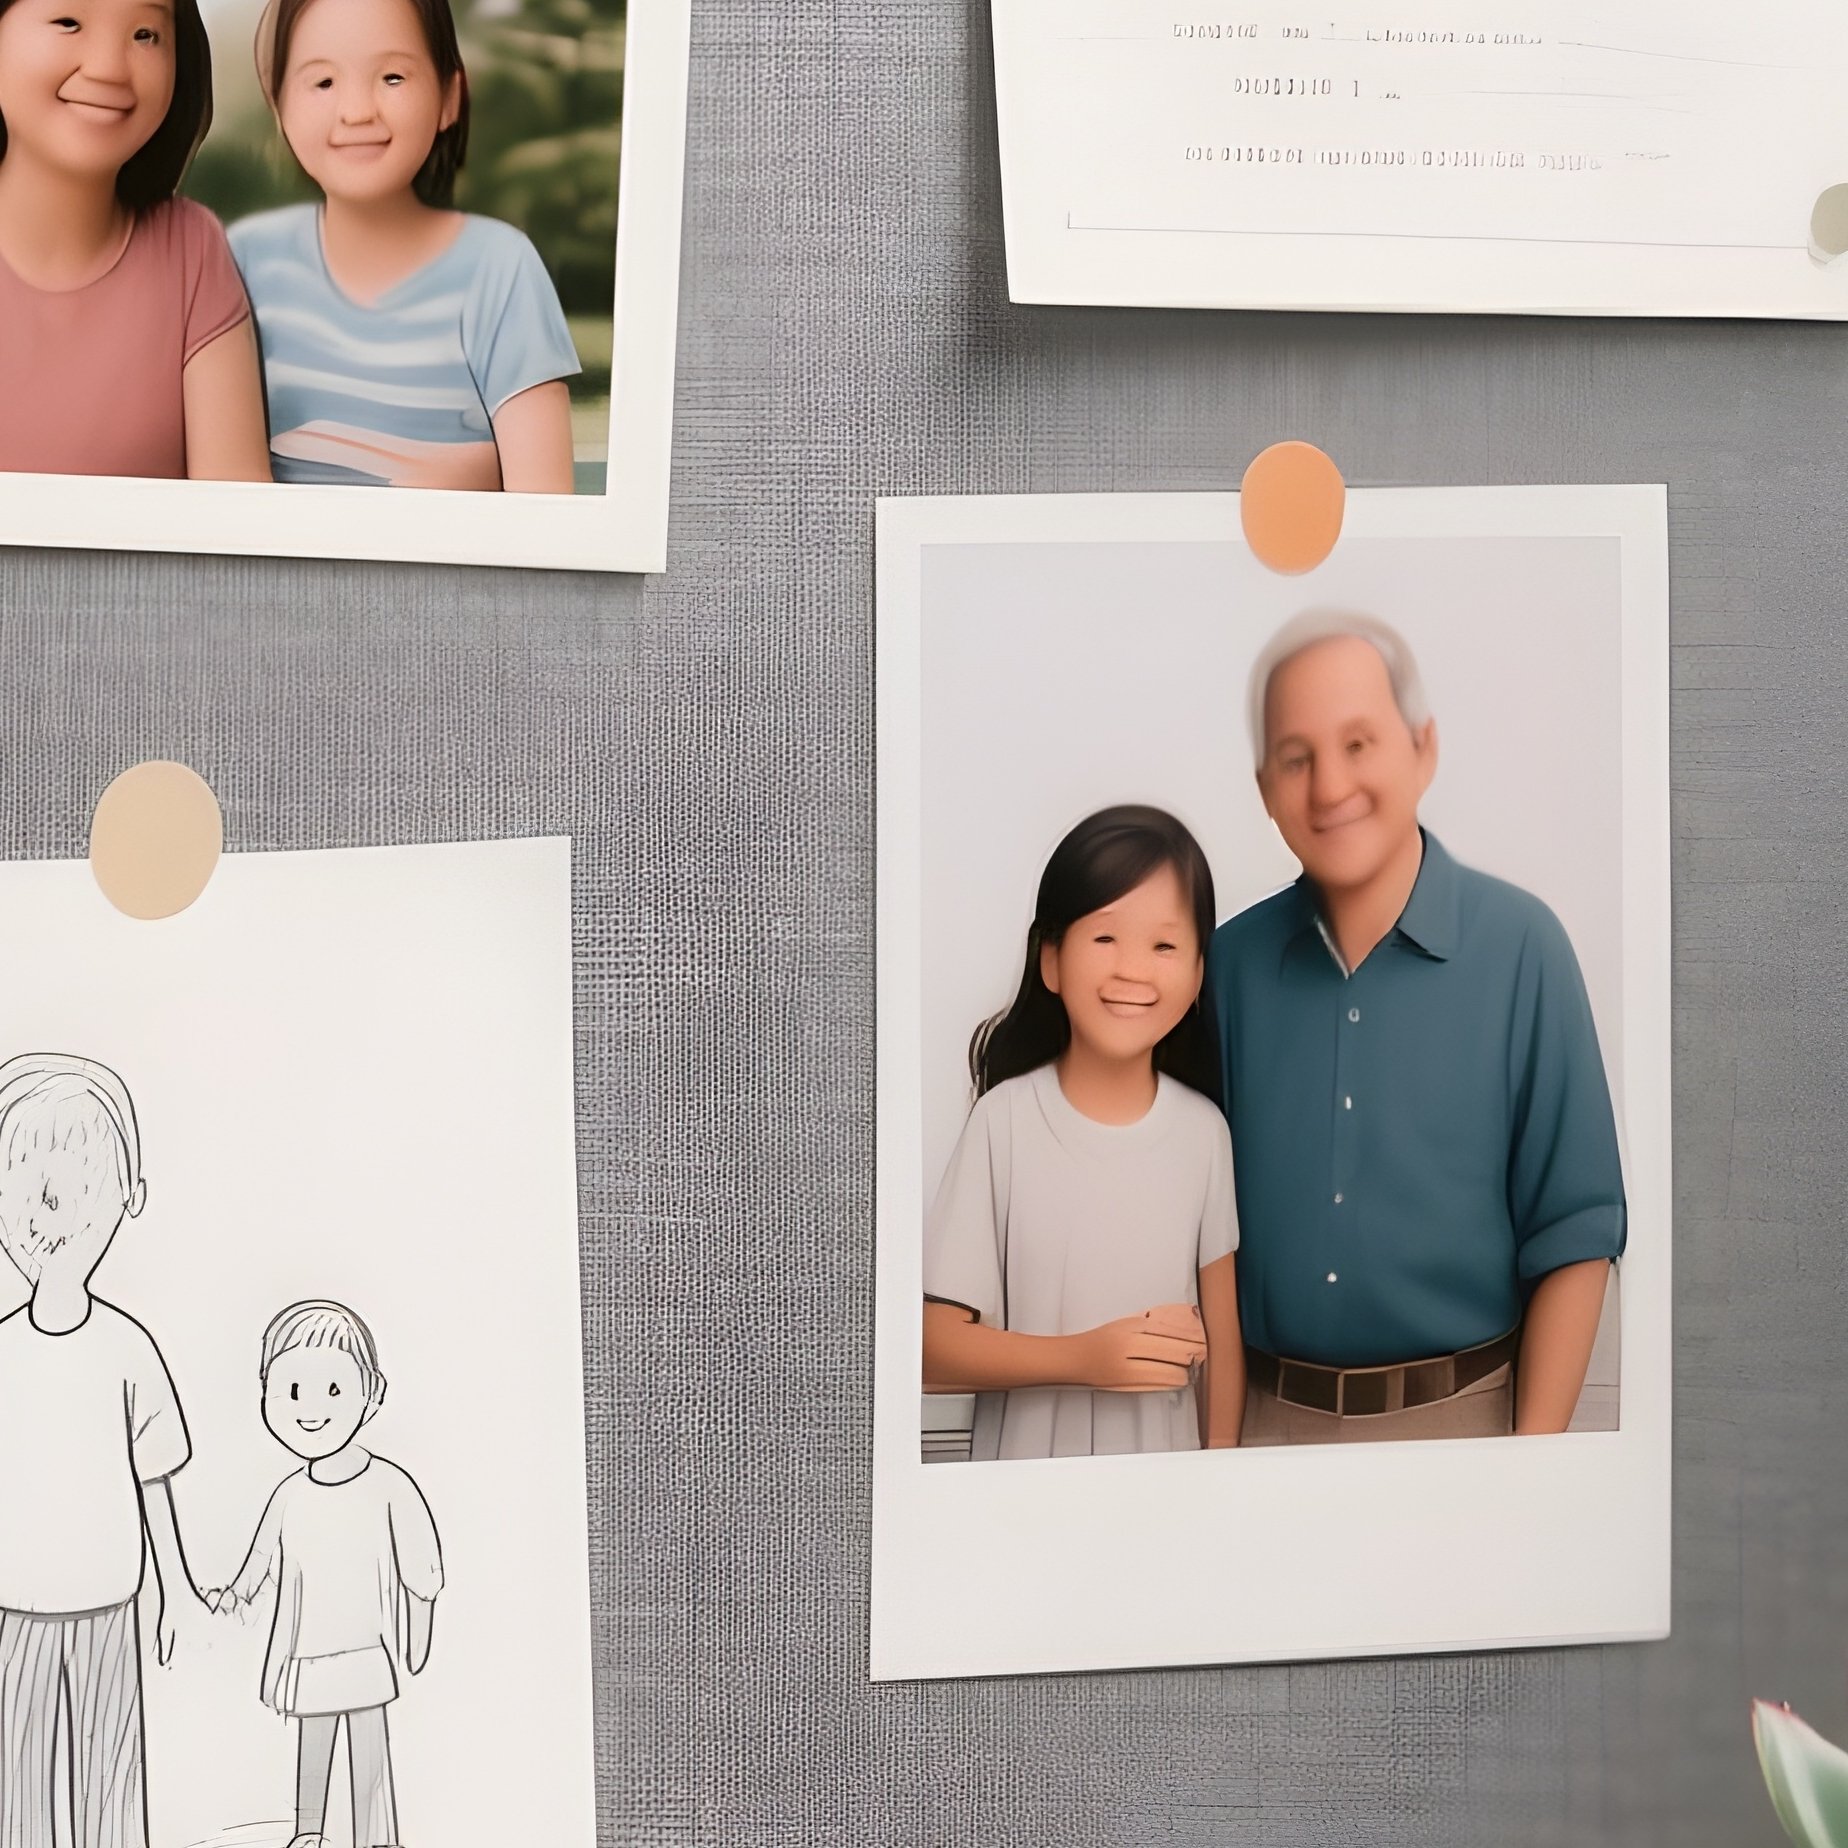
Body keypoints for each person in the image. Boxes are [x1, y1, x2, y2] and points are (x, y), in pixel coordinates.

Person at [1209, 611, 1626, 1445]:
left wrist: (1525, 1469)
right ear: (1264, 789)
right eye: (1297, 759)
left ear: (1423, 748)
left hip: (1466, 1425)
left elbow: (1576, 1234)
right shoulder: (1225, 969)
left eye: (1359, 744)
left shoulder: (1524, 948)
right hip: (1259, 1428)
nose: (1329, 787)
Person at [922, 805, 1244, 1459]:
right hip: (1023, 1512)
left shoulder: (1204, 1134)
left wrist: (1221, 1489)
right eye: (1104, 938)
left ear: (1198, 973)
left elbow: (1225, 1351)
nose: (1133, 969)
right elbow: (930, 1351)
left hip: (1165, 1513)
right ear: (1052, 962)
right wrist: (1085, 1359)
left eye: (1164, 944)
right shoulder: (1002, 1124)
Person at [227, 0, 581, 491]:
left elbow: (548, 521)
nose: (357, 113)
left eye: (393, 78)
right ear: (278, 101)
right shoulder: (243, 260)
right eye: (323, 82)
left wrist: (480, 485)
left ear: (449, 97)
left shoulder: (500, 269)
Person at [0, 1054, 207, 1848]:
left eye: (74, 1198)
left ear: (129, 1199)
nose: (50, 1224)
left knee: (110, 1793)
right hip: (11, 1608)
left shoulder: (127, 1350)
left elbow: (156, 1480)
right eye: (30, 1200)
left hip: (109, 1607)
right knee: (17, 1796)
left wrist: (179, 1592)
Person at [0, 0, 270, 479]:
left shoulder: (191, 250)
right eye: (68, 22)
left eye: (145, 34)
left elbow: (236, 534)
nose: (109, 70)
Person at [209, 1299, 443, 1848]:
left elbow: (423, 1567)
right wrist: (233, 1594)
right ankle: (308, 1834)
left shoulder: (389, 1485)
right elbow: (260, 1563)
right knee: (311, 1746)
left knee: (368, 1744)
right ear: (266, 1393)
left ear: (372, 1393)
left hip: (365, 1649)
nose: (310, 1409)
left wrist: (419, 1634)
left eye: (334, 1390)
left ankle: (377, 1837)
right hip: (307, 1650)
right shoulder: (289, 1494)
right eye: (291, 1391)